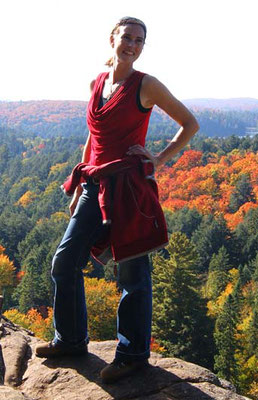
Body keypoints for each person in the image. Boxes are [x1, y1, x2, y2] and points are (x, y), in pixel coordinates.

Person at [34, 17, 199, 384]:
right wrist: (79, 186)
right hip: (95, 184)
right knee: (65, 261)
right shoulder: (97, 83)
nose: (133, 45)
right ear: (112, 39)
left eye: (140, 40)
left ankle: (132, 355)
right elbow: (93, 138)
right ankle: (71, 340)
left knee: (132, 273)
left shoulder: (147, 85)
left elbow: (189, 123)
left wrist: (157, 159)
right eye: (127, 37)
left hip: (129, 189)